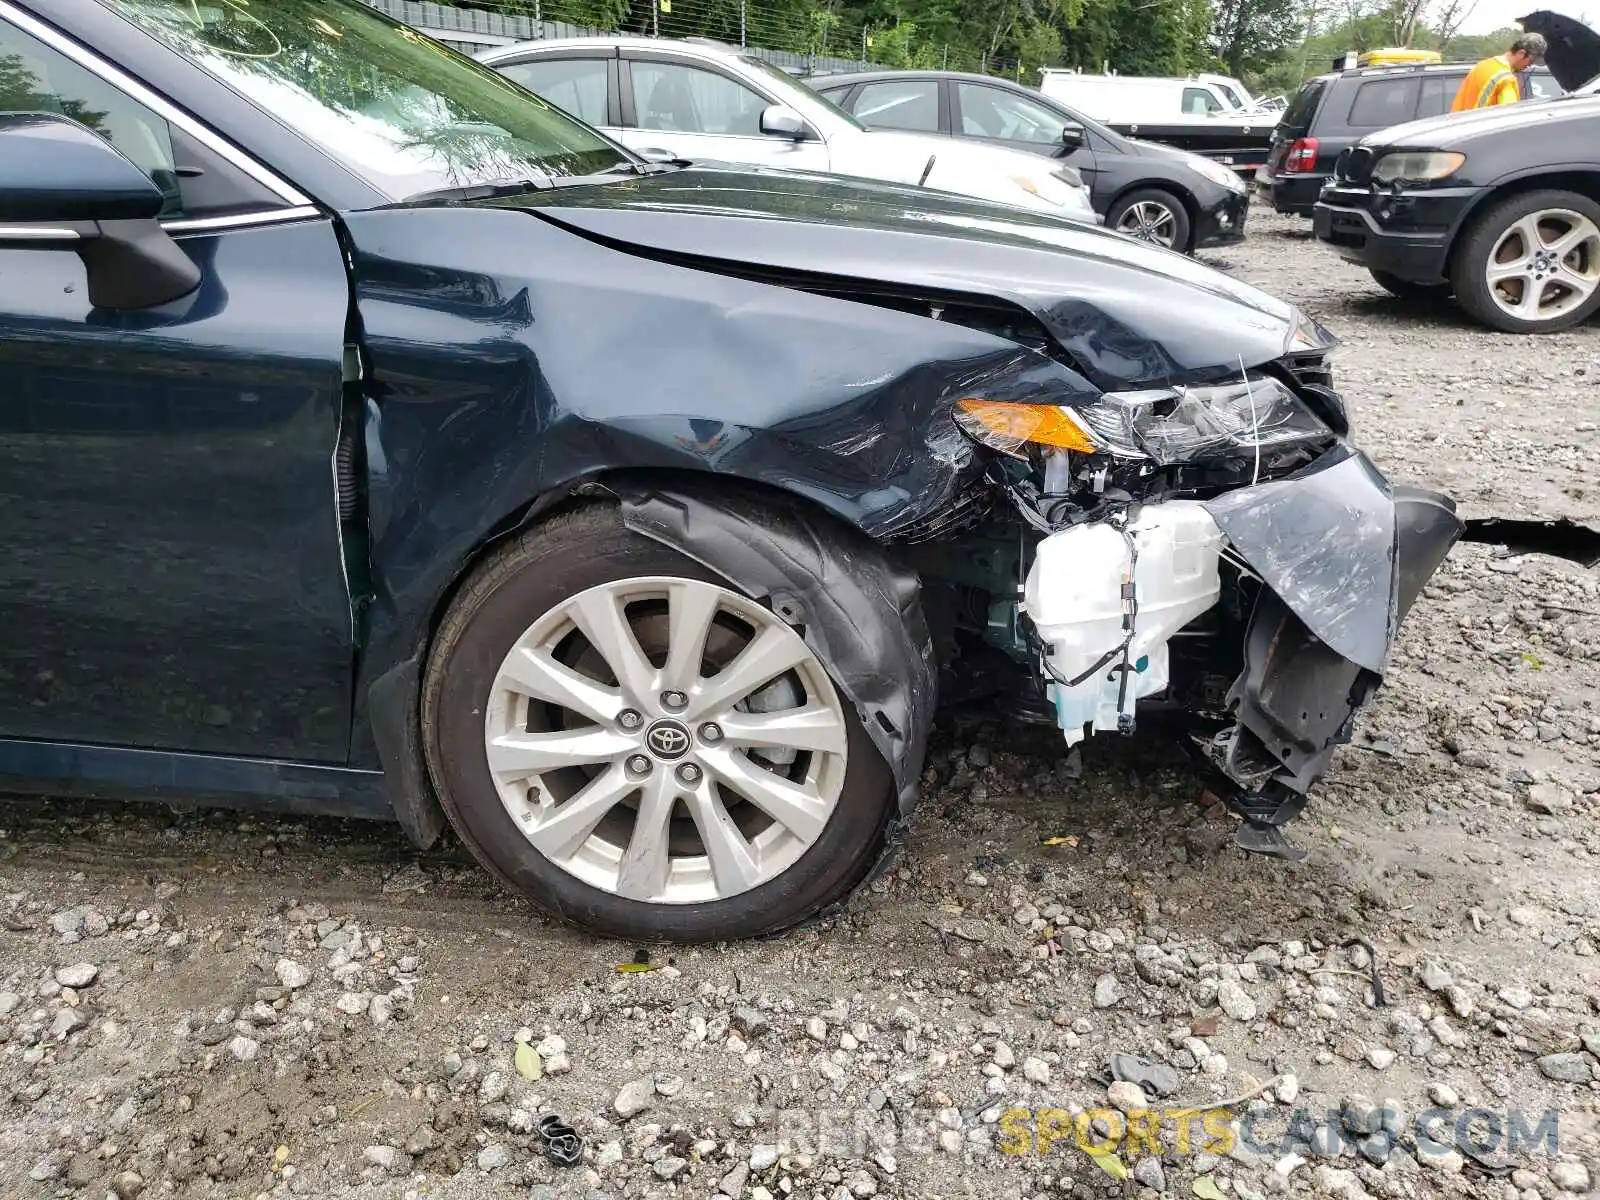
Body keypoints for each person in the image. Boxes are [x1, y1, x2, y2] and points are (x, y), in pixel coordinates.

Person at [1451, 33, 1548, 111]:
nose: (1529, 66)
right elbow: (1508, 119)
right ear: (1521, 53)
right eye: (1530, 61)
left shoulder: (1482, 66)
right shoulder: (1505, 80)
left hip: (1459, 129)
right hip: (1482, 133)